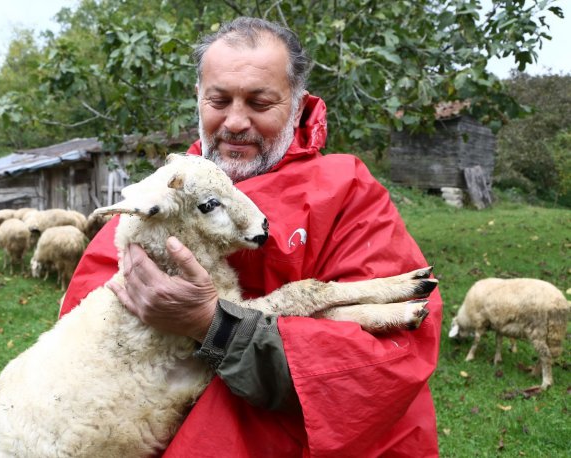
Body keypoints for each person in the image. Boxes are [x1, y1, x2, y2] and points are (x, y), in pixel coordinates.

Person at [60, 17, 442, 457]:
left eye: (260, 102)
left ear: (297, 106)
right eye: (218, 100)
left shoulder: (345, 192)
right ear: (198, 100)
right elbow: (83, 351)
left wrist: (211, 325)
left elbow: (384, 355)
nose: (236, 122)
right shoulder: (163, 197)